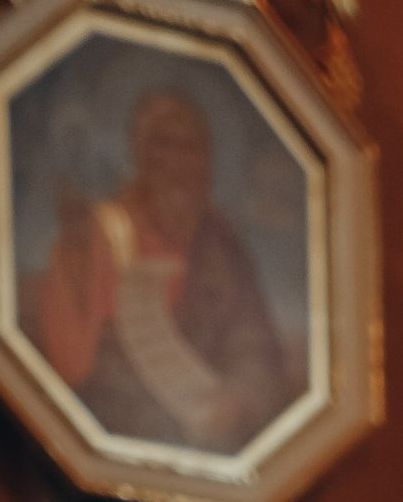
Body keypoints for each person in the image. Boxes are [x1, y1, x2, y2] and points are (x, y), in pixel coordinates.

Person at [24, 84, 301, 455]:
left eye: (193, 149)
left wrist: (242, 397)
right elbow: (69, 364)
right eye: (166, 145)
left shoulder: (220, 243)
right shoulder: (104, 232)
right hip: (110, 440)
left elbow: (254, 343)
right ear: (142, 155)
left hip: (213, 448)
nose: (181, 163)